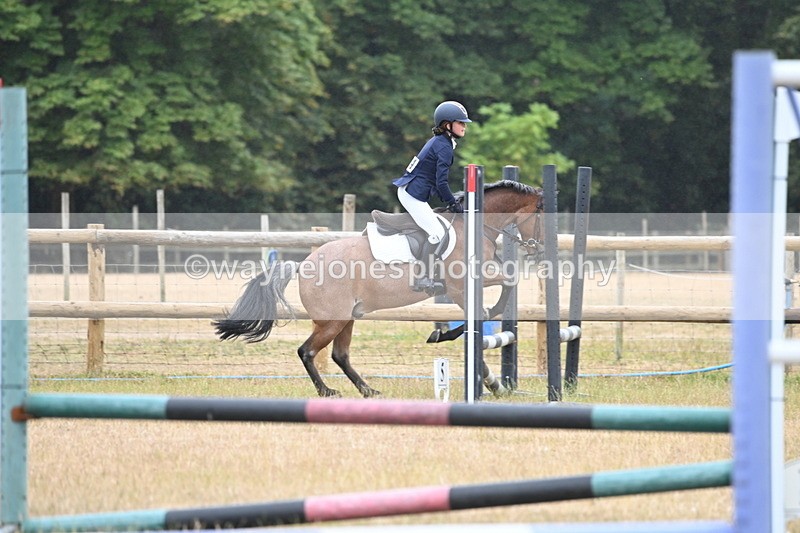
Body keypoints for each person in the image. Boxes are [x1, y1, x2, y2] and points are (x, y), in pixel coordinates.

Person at [392, 100, 471, 294]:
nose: (464, 126)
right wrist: (453, 203)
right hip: (412, 195)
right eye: (460, 122)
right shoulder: (443, 146)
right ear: (447, 125)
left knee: (437, 230)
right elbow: (441, 183)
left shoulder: (441, 142)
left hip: (413, 191)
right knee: (438, 233)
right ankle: (422, 278)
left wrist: (451, 202)